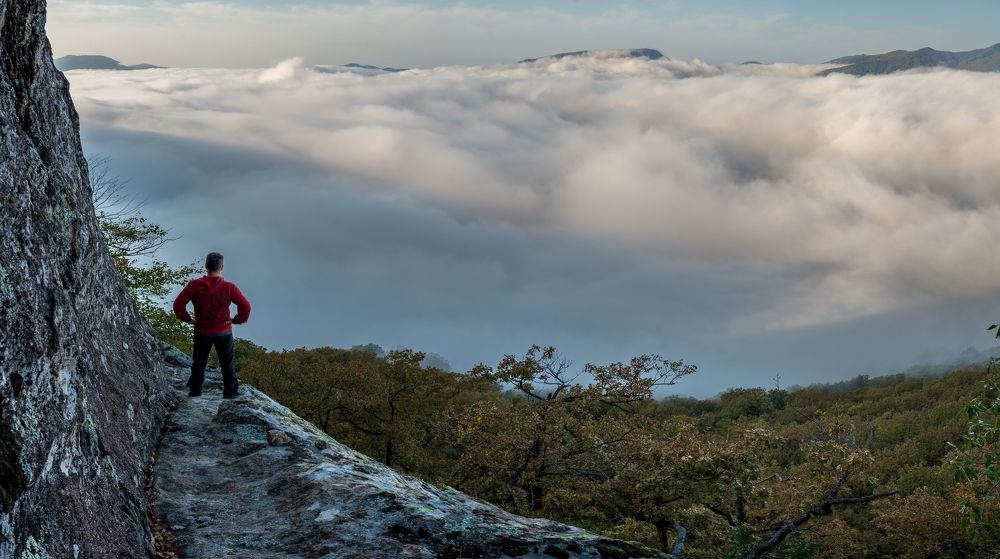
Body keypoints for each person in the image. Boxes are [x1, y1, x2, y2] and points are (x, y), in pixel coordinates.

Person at [172, 252, 252, 398]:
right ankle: (230, 393)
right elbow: (245, 307)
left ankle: (195, 391)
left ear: (205, 266)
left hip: (202, 331)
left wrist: (187, 319)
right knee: (227, 364)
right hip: (223, 332)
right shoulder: (229, 288)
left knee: (199, 362)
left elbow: (178, 304)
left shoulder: (194, 286)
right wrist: (236, 320)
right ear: (222, 267)